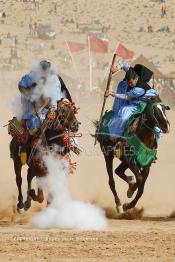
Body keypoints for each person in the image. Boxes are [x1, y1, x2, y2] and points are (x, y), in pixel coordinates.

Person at [18, 60, 72, 155]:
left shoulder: (54, 78)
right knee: (34, 127)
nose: (45, 72)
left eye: (47, 70)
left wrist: (58, 107)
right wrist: (30, 95)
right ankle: (25, 146)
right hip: (32, 104)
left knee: (67, 123)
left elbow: (55, 95)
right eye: (43, 70)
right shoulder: (32, 76)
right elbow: (21, 86)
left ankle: (69, 145)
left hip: (54, 104)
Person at [105, 66, 161, 139]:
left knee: (123, 116)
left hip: (143, 102)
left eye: (131, 82)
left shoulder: (138, 89)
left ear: (136, 79)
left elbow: (126, 97)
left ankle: (117, 134)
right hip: (137, 99)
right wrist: (116, 69)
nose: (130, 85)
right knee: (122, 84)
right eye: (128, 83)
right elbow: (124, 65)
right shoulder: (132, 73)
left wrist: (112, 93)